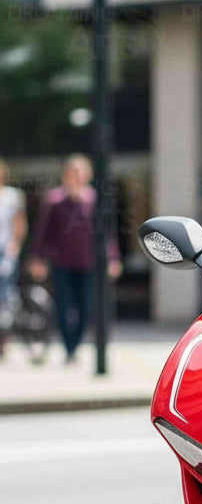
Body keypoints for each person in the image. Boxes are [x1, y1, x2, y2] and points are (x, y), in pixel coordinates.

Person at [28, 154, 121, 364]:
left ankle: (75, 344)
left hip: (88, 263)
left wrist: (113, 258)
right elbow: (42, 233)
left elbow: (106, 233)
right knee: (63, 306)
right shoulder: (54, 200)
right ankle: (69, 349)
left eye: (81, 172)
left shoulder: (94, 199)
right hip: (61, 263)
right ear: (66, 175)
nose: (77, 177)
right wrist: (37, 258)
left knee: (86, 308)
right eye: (73, 172)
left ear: (87, 175)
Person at [0, 158, 27, 345]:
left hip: (5, 247)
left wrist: (15, 245)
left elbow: (19, 223)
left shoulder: (12, 196)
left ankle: (5, 331)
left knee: (5, 287)